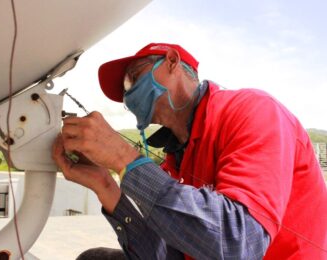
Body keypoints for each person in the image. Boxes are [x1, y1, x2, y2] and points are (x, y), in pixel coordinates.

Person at [52, 43, 327, 259]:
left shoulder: (253, 110)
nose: (128, 95)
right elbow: (165, 254)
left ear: (172, 62)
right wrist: (104, 185)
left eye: (133, 79)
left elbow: (238, 244)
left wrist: (123, 157)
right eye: (125, 92)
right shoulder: (174, 160)